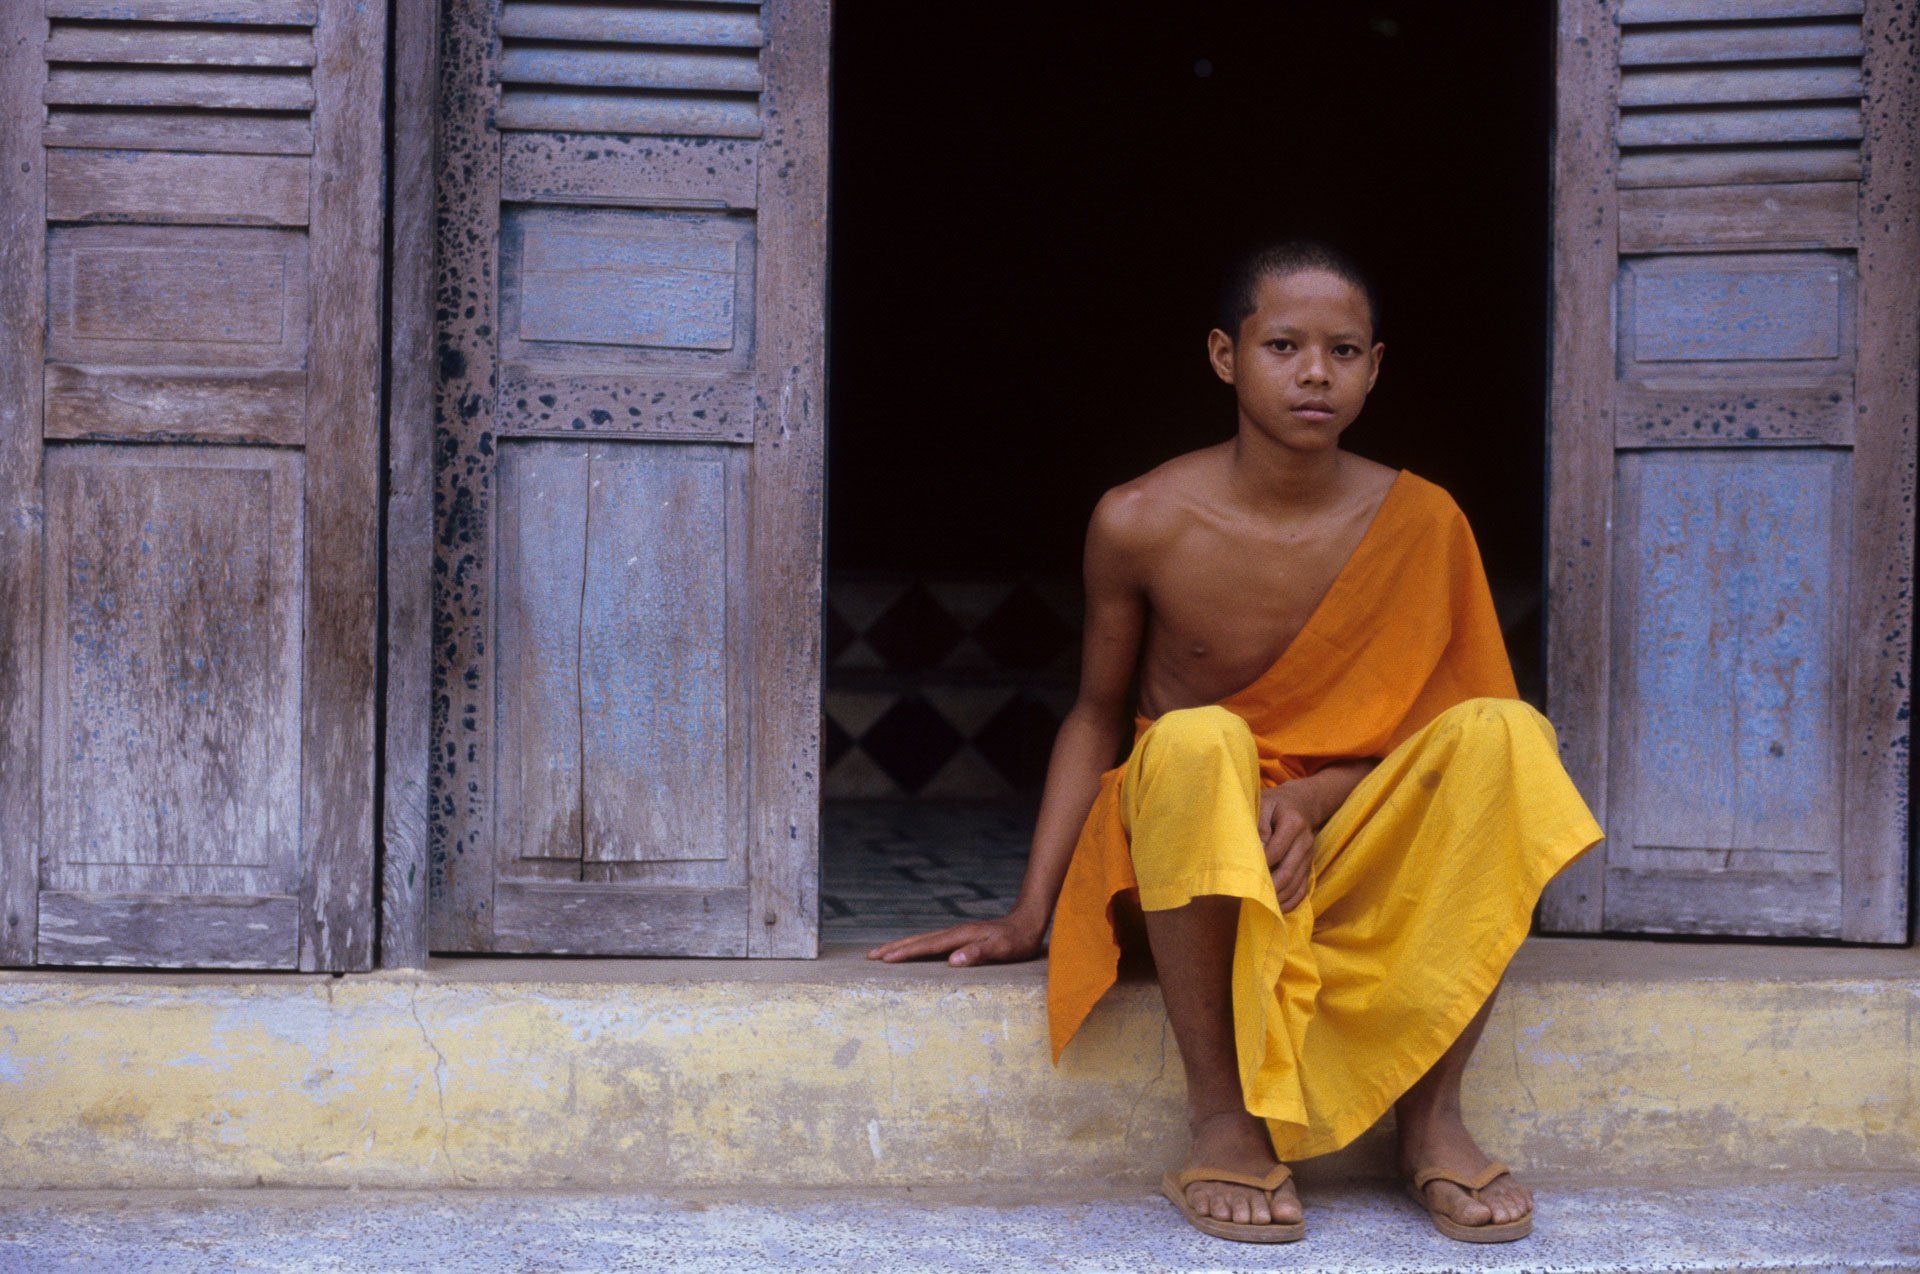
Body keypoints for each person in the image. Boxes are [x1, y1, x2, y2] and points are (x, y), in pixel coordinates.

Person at [867, 239, 1603, 1244]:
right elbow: (1095, 713)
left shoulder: (1424, 521)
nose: (1314, 373)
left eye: (1343, 351)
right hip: (1192, 859)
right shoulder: (1141, 520)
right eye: (1284, 345)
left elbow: (1442, 738)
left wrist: (1308, 801)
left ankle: (1430, 1115)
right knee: (1197, 737)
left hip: (1338, 841)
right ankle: (1221, 1116)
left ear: (1375, 367)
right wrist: (1029, 911)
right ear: (1225, 355)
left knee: (1510, 733)